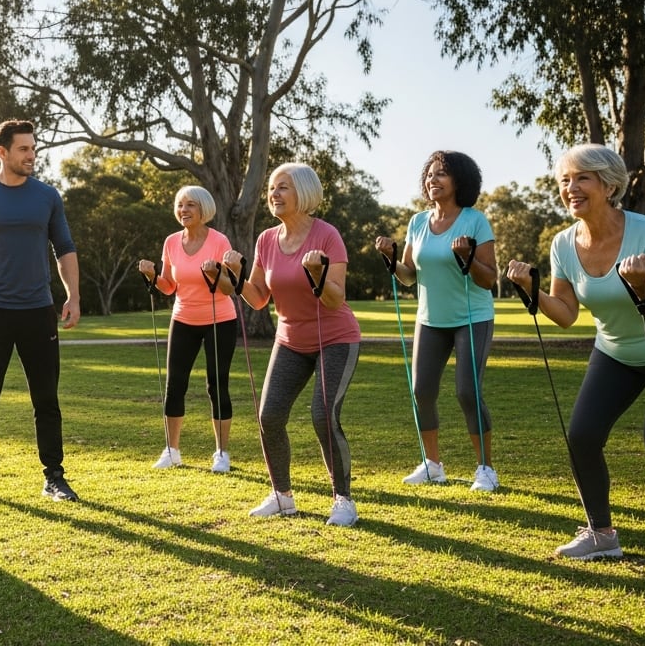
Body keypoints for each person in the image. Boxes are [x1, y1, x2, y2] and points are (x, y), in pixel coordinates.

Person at [505, 143, 645, 579]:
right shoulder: (564, 243)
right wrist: (532, 291)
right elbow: (565, 315)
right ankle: (601, 535)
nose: (571, 187)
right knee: (581, 435)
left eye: (581, 178)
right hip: (616, 351)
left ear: (608, 183)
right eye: (565, 180)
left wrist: (642, 284)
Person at [0, 119, 81, 505]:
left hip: (38, 311)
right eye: (24, 149)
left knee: (46, 399)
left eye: (34, 149)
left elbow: (65, 247)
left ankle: (54, 477)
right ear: (1, 152)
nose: (32, 156)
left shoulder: (47, 197)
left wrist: (72, 295)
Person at [232, 163, 362, 526]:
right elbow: (258, 298)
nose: (274, 194)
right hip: (290, 340)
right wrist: (237, 277)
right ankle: (282, 496)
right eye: (272, 188)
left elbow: (336, 300)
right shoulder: (266, 240)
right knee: (269, 415)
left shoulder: (327, 236)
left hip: (335, 338)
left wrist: (318, 274)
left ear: (303, 193)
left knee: (323, 417)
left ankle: (343, 500)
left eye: (283, 187)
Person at [374, 151, 500, 491]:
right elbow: (409, 276)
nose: (433, 180)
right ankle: (432, 465)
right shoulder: (417, 222)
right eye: (429, 174)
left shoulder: (475, 221)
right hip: (430, 320)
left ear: (459, 180)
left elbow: (489, 279)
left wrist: (468, 257)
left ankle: (485, 469)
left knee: (467, 392)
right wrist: (390, 259)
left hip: (471, 319)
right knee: (422, 391)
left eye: (441, 174)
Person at [136, 185, 239, 472]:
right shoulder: (171, 242)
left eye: (191, 205)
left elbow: (230, 288)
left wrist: (215, 274)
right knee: (174, 385)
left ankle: (221, 453)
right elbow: (169, 286)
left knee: (216, 385)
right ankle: (172, 450)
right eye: (181, 205)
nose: (184, 210)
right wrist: (152, 275)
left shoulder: (219, 241)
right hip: (183, 319)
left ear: (203, 209)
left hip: (219, 320)